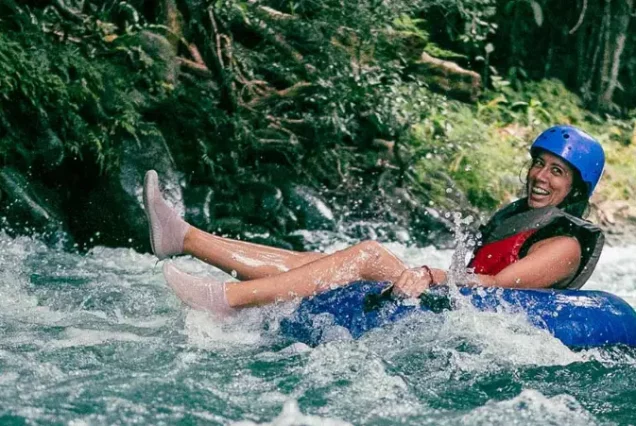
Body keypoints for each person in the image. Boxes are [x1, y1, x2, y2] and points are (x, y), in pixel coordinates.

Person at [143, 125, 605, 317]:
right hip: (457, 302)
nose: (540, 176)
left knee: (365, 254)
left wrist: (428, 274)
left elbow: (502, 284)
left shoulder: (565, 243)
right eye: (539, 164)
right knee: (322, 260)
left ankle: (225, 300)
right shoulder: (519, 216)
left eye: (556, 171)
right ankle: (185, 237)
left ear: (576, 187)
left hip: (484, 315)